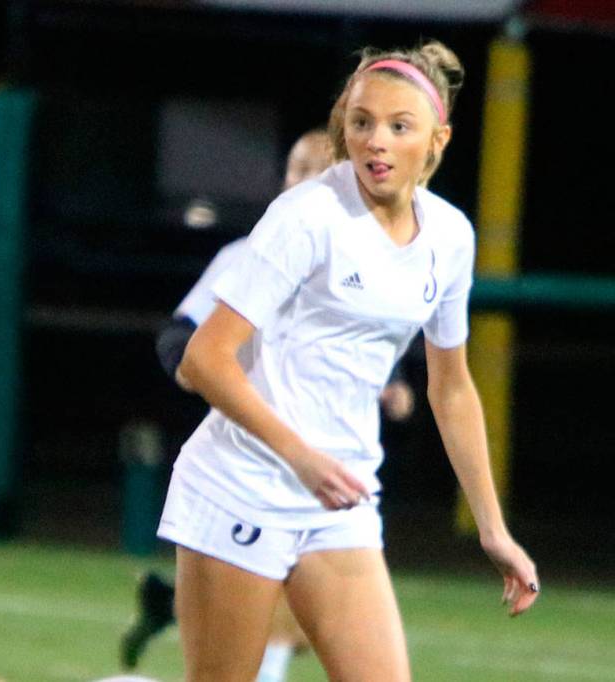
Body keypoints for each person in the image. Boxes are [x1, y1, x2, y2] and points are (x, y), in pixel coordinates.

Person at [156, 41, 539, 682]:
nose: (375, 141)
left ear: (437, 139)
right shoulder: (307, 216)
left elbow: (451, 389)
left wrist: (492, 529)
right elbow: (203, 359)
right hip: (241, 487)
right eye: (361, 122)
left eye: (399, 126)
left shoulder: (450, 237)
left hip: (341, 500)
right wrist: (301, 456)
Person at [123, 129, 415, 681]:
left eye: (318, 170)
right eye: (295, 169)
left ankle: (170, 606)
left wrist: (392, 383)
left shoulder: (373, 257)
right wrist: (199, 369)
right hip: (250, 467)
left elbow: (360, 344)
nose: (304, 181)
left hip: (333, 479)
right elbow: (181, 337)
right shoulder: (249, 253)